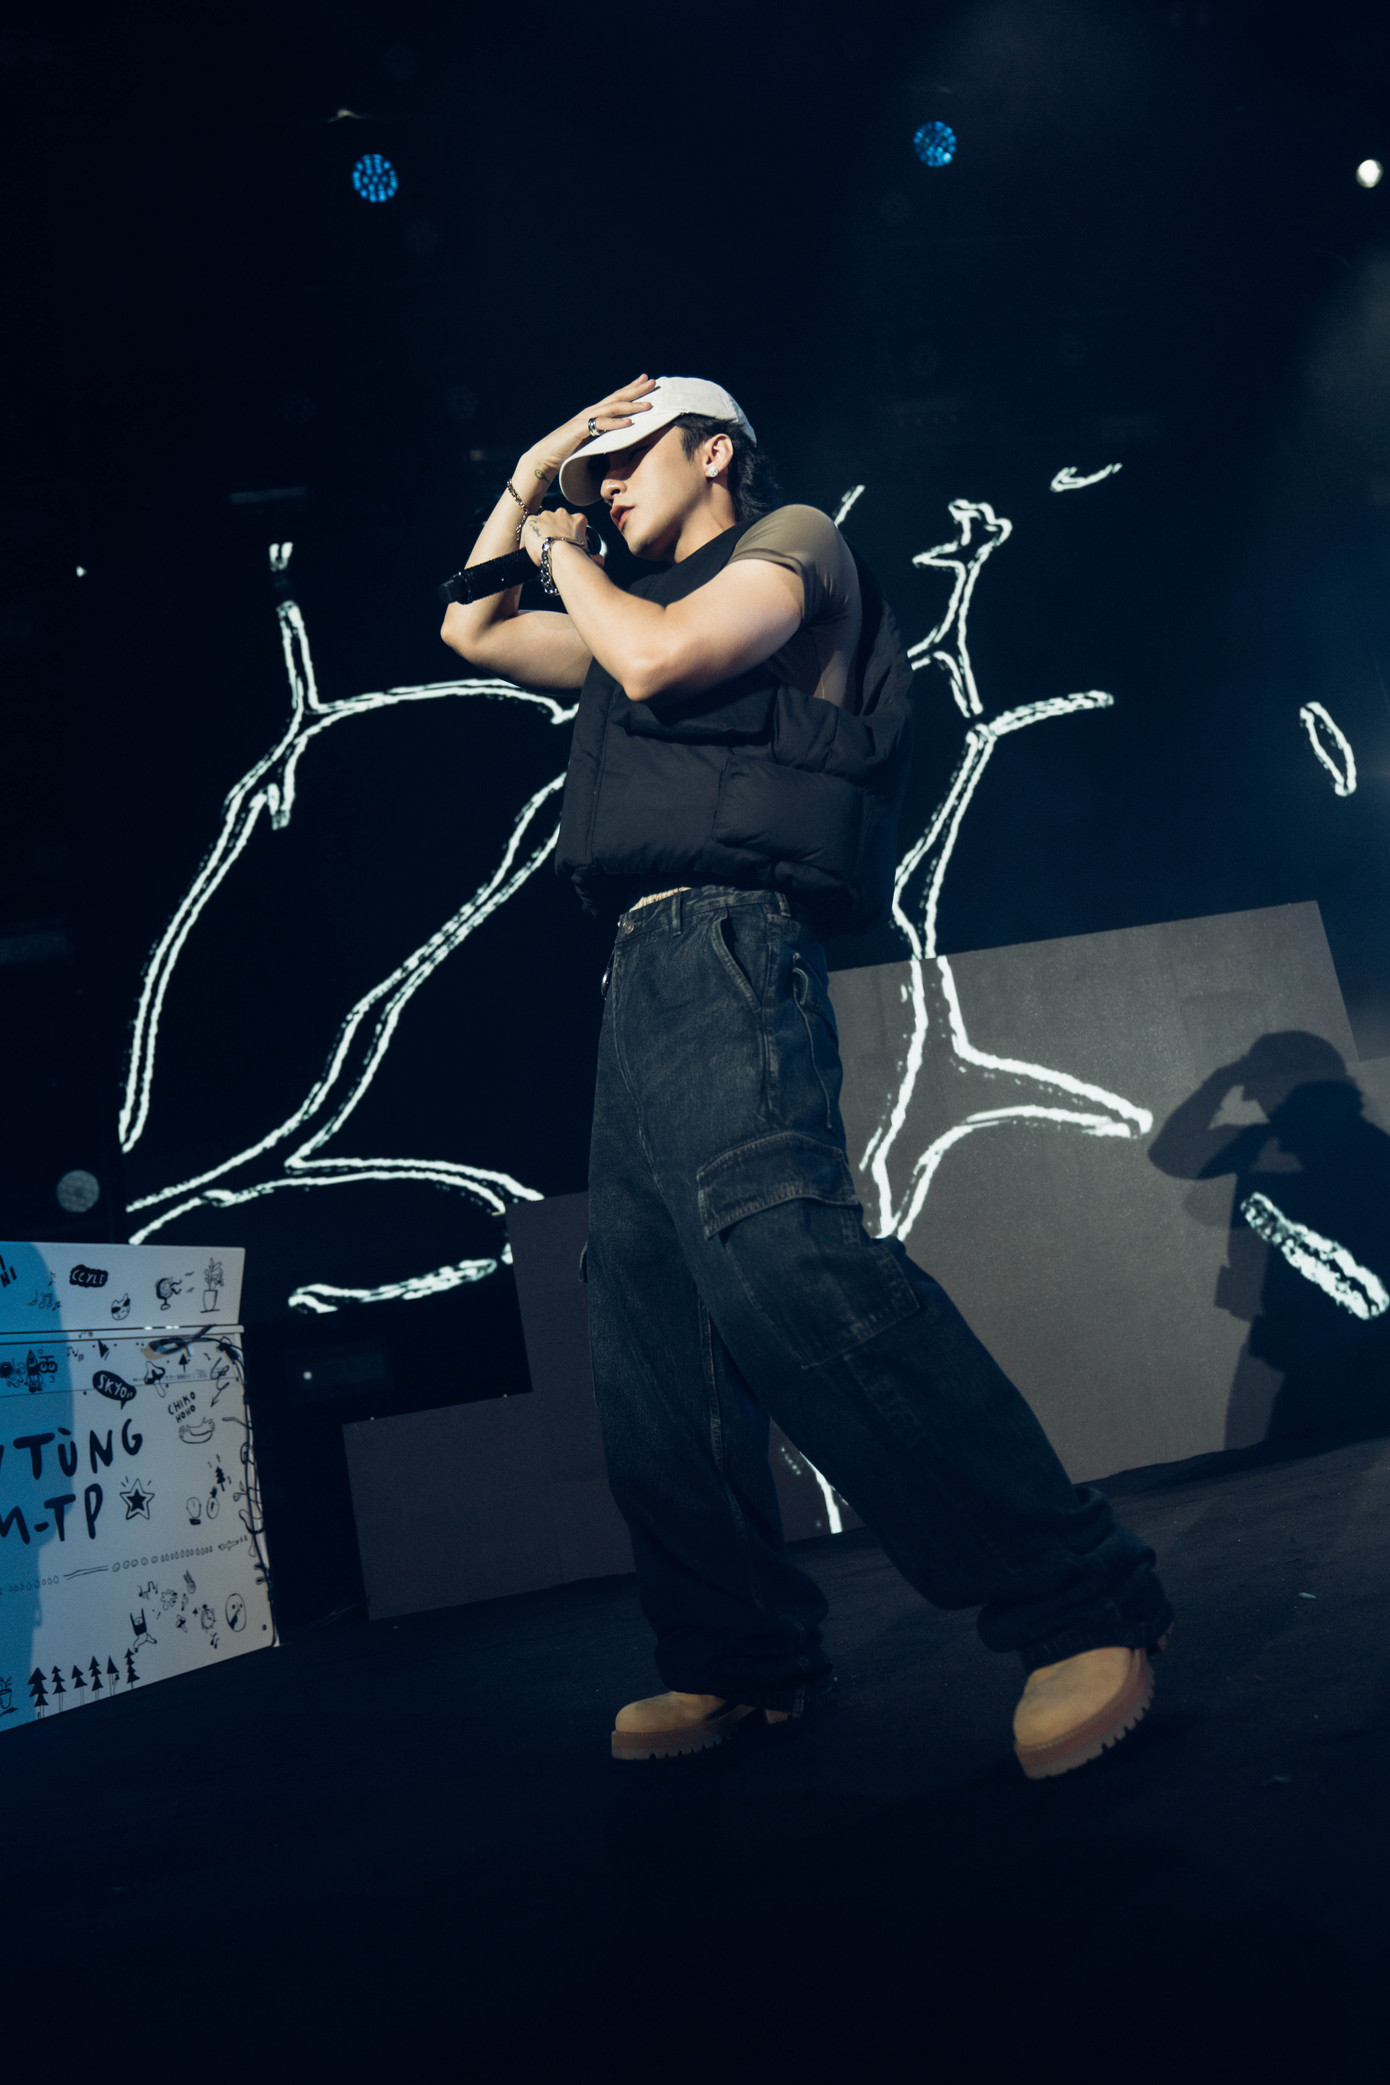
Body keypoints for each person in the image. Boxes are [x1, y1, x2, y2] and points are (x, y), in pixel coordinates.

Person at [441, 373, 1173, 1778]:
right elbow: (468, 628)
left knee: (790, 1264)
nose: (603, 487)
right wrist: (532, 468)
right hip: (642, 974)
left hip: (734, 940)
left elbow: (660, 660)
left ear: (715, 451)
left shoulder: (790, 546)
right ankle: (740, 1658)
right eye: (591, 474)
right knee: (651, 1336)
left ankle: (1081, 1600)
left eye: (625, 459)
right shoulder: (621, 603)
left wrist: (565, 548)